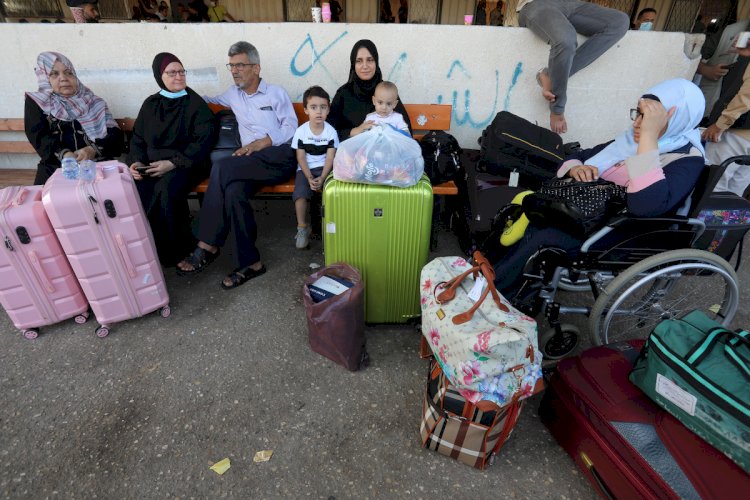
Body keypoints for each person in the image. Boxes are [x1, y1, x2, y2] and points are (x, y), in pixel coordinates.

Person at [491, 79, 706, 295]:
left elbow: (645, 205)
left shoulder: (688, 159)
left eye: (647, 118)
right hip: (587, 215)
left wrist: (649, 139)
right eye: (638, 114)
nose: (637, 124)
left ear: (674, 117)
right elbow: (578, 156)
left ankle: (497, 294)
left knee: (546, 235)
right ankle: (490, 278)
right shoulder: (627, 141)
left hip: (622, 232)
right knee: (528, 210)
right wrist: (575, 168)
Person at [176, 41, 298, 290]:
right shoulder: (232, 94)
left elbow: (291, 128)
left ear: (256, 67)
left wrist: (262, 142)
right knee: (233, 192)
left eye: (240, 65)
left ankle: (207, 244)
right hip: (250, 164)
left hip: (280, 157)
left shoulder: (276, 93)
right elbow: (204, 100)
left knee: (222, 167)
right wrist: (179, 88)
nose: (234, 71)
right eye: (231, 66)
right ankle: (251, 263)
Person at [128, 53, 216, 267]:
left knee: (166, 189)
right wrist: (136, 163)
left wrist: (172, 163)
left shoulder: (194, 103)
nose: (178, 76)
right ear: (160, 76)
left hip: (188, 163)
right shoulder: (151, 104)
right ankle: (151, 250)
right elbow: (138, 138)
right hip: (152, 165)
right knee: (138, 189)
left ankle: (179, 250)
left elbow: (204, 141)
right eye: (172, 72)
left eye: (181, 71)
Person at [517, 0, 629, 134]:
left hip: (572, 4)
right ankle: (557, 108)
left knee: (620, 22)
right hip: (537, 4)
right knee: (566, 40)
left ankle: (550, 75)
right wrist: (557, 109)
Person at [24, 52, 123, 185]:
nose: (63, 78)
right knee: (46, 197)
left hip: (96, 167)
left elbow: (116, 137)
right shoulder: (38, 103)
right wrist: (64, 154)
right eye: (54, 74)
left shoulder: (94, 102)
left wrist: (92, 150)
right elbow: (38, 137)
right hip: (55, 168)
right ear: (44, 78)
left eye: (68, 73)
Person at [328, 39, 411, 141]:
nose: (365, 66)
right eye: (359, 61)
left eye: (370, 60)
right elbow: (328, 131)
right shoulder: (343, 94)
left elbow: (407, 133)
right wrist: (355, 131)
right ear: (353, 64)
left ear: (376, 62)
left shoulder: (386, 92)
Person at [292, 86, 339, 249]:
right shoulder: (301, 132)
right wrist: (309, 178)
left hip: (325, 169)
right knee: (300, 195)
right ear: (306, 110)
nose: (318, 111)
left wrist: (323, 177)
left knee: (333, 193)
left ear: (328, 110)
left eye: (323, 107)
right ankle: (302, 227)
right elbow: (300, 158)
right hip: (305, 170)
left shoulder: (331, 132)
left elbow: (330, 158)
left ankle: (331, 227)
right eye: (313, 107)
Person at [702, 44, 750, 196]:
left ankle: (705, 213)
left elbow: (746, 96)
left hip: (736, 133)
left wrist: (721, 123)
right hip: (742, 136)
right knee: (734, 193)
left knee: (711, 186)